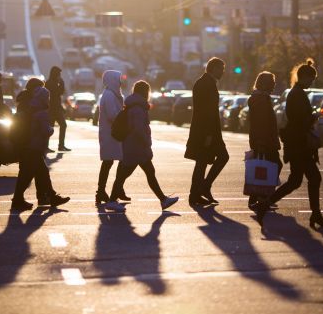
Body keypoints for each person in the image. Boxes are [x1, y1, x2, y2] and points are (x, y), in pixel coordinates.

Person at [256, 60, 323, 229]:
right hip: (300, 144)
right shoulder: (298, 95)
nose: (312, 82)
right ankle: (315, 214)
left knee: (295, 180)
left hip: (296, 144)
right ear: (304, 77)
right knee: (313, 178)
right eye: (311, 79)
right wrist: (315, 116)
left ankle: (266, 204)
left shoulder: (295, 93)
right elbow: (300, 121)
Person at [106, 81, 179, 212]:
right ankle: (111, 201)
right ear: (145, 92)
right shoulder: (138, 108)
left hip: (132, 146)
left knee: (144, 173)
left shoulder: (134, 105)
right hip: (136, 147)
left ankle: (163, 199)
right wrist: (146, 142)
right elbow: (138, 129)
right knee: (127, 174)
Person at [11, 79, 70, 210]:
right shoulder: (36, 108)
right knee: (27, 175)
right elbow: (44, 129)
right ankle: (18, 200)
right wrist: (51, 129)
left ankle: (50, 197)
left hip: (26, 143)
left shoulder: (26, 102)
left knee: (40, 172)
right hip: (31, 145)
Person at [185, 57, 229, 206]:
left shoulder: (204, 82)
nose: (223, 72)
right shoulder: (206, 84)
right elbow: (206, 111)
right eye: (221, 69)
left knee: (202, 162)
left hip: (207, 131)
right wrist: (209, 134)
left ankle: (198, 192)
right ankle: (201, 189)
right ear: (213, 68)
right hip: (207, 132)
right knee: (214, 159)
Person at [247, 71, 283, 210]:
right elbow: (262, 123)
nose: (274, 85)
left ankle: (259, 198)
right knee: (271, 167)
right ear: (265, 84)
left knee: (264, 168)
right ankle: (261, 198)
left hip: (263, 139)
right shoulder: (262, 99)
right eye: (272, 82)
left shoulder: (259, 98)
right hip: (265, 140)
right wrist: (261, 142)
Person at [96, 70, 130, 204]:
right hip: (111, 134)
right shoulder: (109, 95)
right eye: (118, 79)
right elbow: (112, 115)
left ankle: (112, 189)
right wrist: (124, 118)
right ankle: (103, 191)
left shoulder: (112, 94)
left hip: (113, 133)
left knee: (112, 161)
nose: (120, 82)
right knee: (110, 162)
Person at [45, 66, 70, 152]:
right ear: (55, 74)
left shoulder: (54, 82)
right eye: (59, 74)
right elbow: (58, 93)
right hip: (51, 109)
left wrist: (61, 108)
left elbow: (59, 95)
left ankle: (61, 145)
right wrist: (62, 83)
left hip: (57, 109)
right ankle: (46, 146)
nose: (60, 76)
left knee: (63, 125)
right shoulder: (49, 83)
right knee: (49, 128)